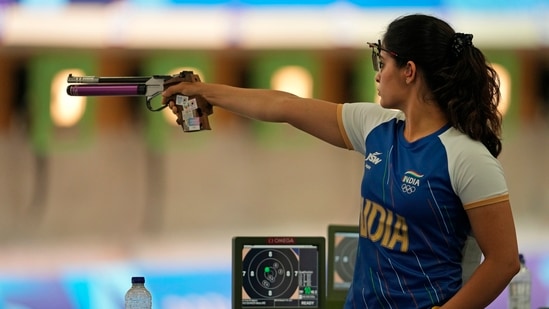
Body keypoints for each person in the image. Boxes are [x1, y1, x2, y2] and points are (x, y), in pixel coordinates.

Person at [162, 13, 520, 309]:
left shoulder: (467, 157)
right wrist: (204, 91)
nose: (378, 74)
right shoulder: (376, 127)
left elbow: (503, 261)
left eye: (384, 63)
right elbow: (285, 106)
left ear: (409, 71)